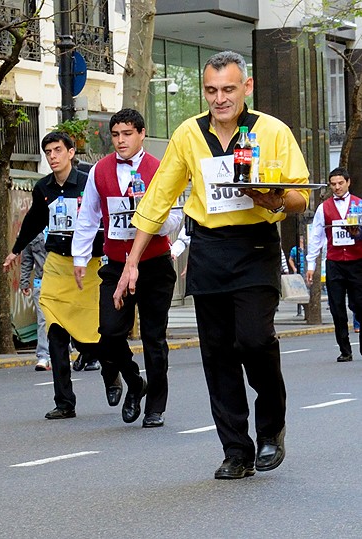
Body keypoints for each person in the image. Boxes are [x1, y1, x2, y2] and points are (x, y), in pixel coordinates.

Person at [113, 51, 309, 479]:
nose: (220, 98)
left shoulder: (273, 131)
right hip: (208, 249)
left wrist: (274, 198)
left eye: (229, 89)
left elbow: (300, 196)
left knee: (255, 341)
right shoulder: (188, 134)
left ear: (247, 87)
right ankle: (236, 450)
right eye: (212, 90)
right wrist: (131, 263)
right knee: (218, 354)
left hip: (255, 246)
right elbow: (157, 199)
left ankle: (272, 428)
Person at [72, 108, 181, 428]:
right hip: (115, 265)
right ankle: (135, 383)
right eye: (116, 134)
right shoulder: (100, 171)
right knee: (108, 334)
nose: (121, 141)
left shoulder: (159, 170)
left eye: (127, 134)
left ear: (142, 134)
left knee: (153, 339)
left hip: (155, 266)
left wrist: (150, 218)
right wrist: (80, 258)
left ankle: (155, 407)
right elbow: (89, 216)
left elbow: (176, 216)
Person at [3, 132, 102, 420]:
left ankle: (114, 378)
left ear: (71, 152)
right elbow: (34, 219)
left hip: (90, 266)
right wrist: (15, 250)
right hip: (57, 264)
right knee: (56, 333)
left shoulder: (88, 183)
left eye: (58, 150)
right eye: (48, 152)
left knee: (92, 335)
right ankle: (64, 402)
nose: (53, 156)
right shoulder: (43, 187)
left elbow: (105, 217)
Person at [305, 167, 362, 362]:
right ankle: (345, 350)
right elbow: (316, 238)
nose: (337, 187)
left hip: (357, 262)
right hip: (335, 263)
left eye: (340, 183)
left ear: (348, 182)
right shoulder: (324, 208)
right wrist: (310, 265)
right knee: (336, 307)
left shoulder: (359, 205)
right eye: (333, 184)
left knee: (359, 305)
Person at [20, 232, 51, 371]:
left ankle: (63, 352)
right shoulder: (32, 231)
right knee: (43, 320)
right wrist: (24, 282)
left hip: (61, 282)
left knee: (62, 320)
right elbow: (26, 259)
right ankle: (43, 356)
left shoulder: (62, 224)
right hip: (41, 282)